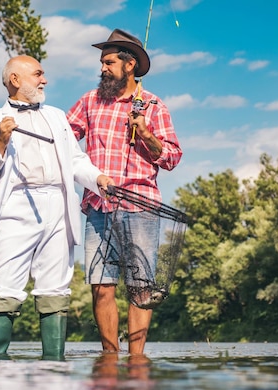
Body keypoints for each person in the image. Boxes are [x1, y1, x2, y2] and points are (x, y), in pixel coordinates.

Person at [0, 55, 114, 361]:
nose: (44, 79)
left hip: (59, 205)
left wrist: (96, 177)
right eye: (38, 74)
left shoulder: (58, 117)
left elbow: (76, 160)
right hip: (15, 207)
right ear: (15, 80)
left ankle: (54, 371)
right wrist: (1, 142)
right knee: (5, 285)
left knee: (56, 287)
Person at [67, 29, 182, 355]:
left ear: (129, 65)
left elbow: (172, 157)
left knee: (140, 290)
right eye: (102, 63)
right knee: (101, 289)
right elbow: (60, 136)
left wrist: (145, 133)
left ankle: (136, 361)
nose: (102, 68)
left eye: (109, 62)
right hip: (98, 206)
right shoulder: (90, 101)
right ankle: (108, 359)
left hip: (142, 208)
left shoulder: (154, 105)